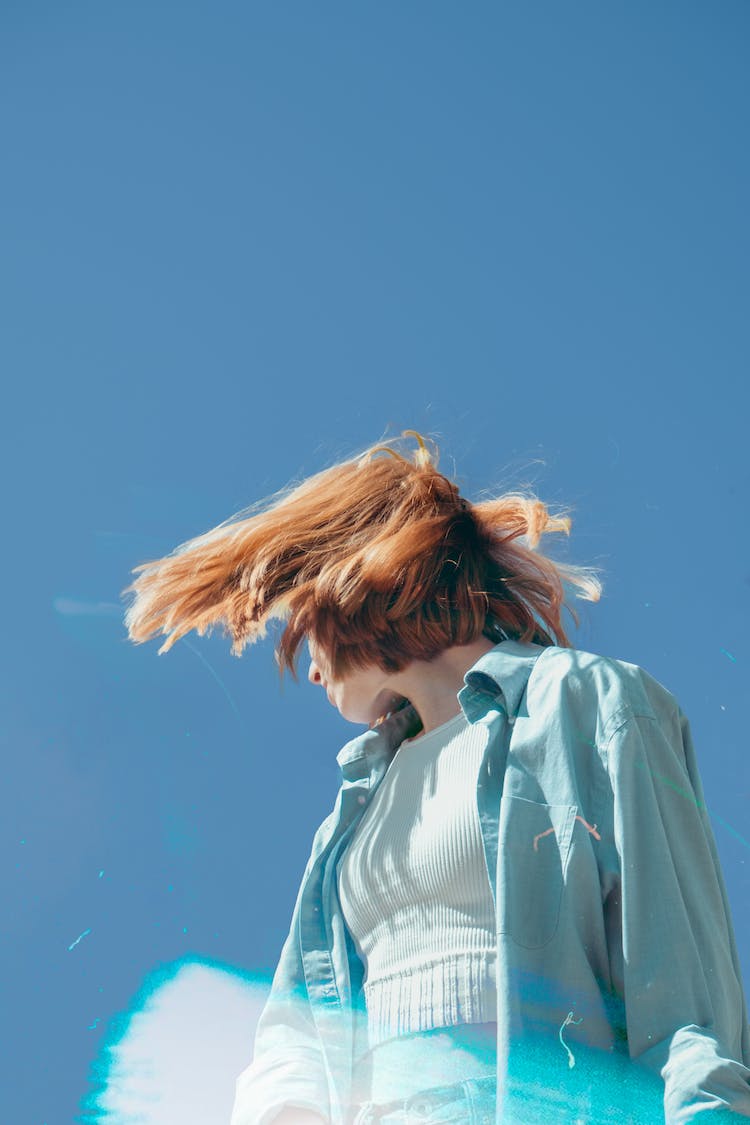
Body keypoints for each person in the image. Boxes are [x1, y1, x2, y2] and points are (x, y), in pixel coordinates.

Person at [122, 431, 750, 1125]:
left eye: (299, 618)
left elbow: (686, 1004)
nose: (304, 659)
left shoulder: (592, 702)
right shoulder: (354, 811)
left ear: (357, 577)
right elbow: (293, 1037)